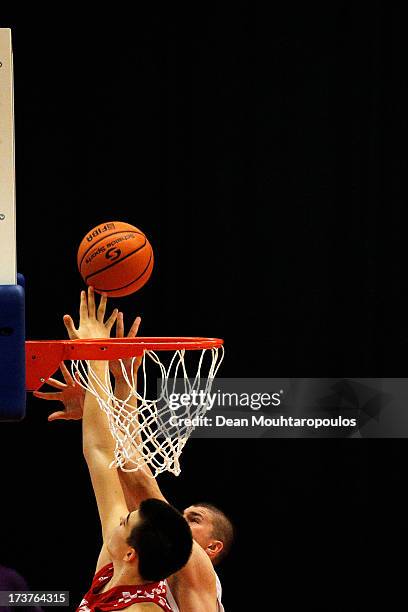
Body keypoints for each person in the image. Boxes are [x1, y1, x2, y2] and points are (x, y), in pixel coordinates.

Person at [35, 288, 233, 611]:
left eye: (192, 519)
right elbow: (106, 456)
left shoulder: (196, 573)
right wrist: (115, 377)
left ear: (212, 546)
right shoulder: (125, 569)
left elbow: (137, 477)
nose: (177, 515)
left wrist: (99, 362)